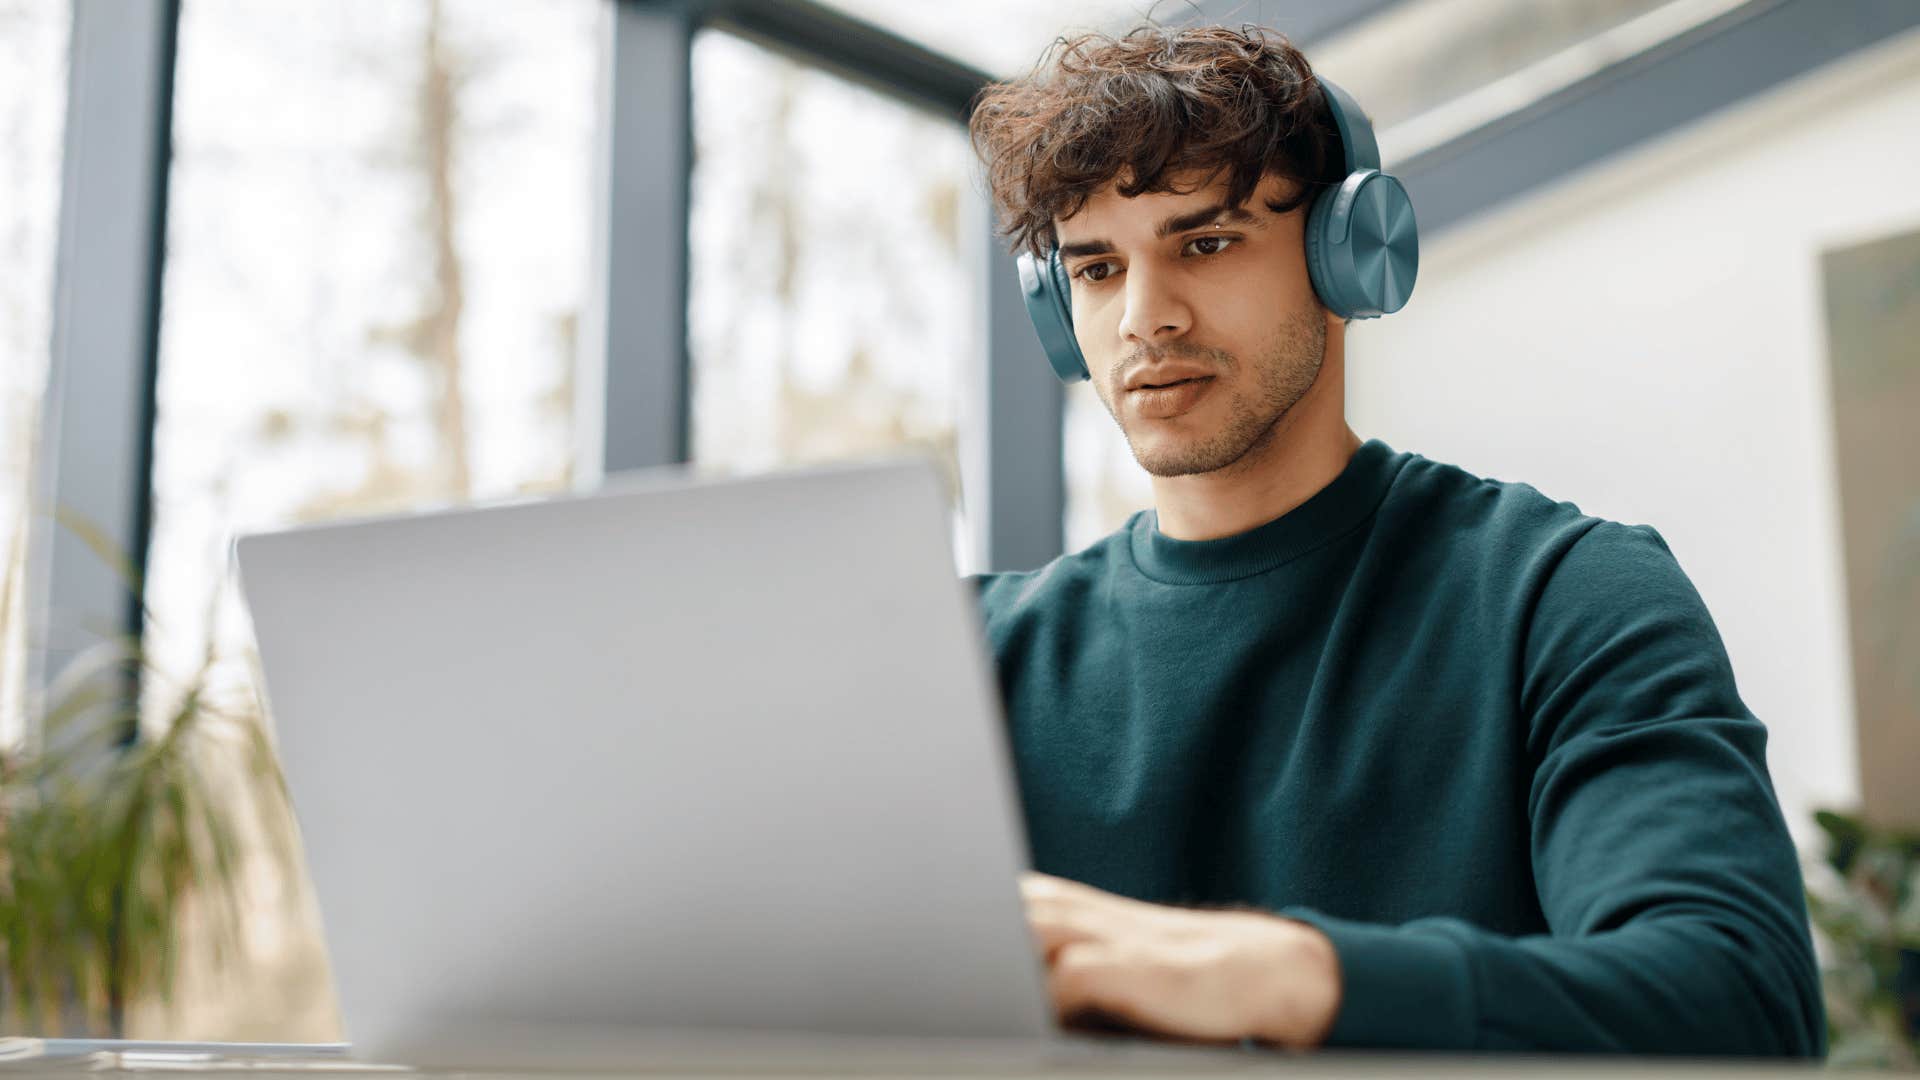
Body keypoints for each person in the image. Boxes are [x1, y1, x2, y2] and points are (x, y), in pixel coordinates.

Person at [963, 23, 1824, 1056]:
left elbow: (1740, 1004)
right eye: (1097, 270)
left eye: (1206, 243)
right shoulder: (973, 657)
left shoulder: (1561, 596)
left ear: (1351, 256)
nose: (1146, 319)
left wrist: (1283, 977)